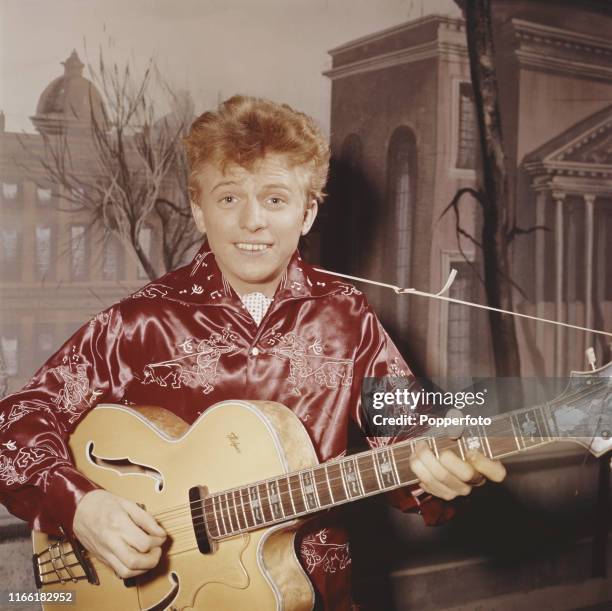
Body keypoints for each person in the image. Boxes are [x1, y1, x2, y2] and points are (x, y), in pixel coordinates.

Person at [0, 95, 505, 610]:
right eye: (228, 199)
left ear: (306, 213)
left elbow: (410, 440)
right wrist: (83, 507)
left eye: (275, 200)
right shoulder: (140, 321)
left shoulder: (347, 317)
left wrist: (440, 479)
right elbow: (14, 422)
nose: (252, 222)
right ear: (199, 209)